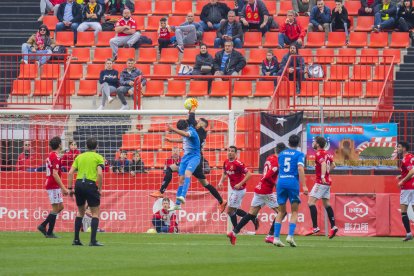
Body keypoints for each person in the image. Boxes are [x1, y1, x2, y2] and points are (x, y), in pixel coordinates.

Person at [166, 107, 227, 212]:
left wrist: (192, 111)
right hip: (191, 158)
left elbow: (187, 132)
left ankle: (172, 195)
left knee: (178, 171)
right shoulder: (194, 128)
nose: (197, 123)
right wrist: (191, 110)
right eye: (198, 121)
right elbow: (189, 124)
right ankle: (221, 200)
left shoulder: (201, 132)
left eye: (200, 123)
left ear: (203, 126)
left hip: (195, 159)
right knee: (205, 183)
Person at [226, 144, 287, 245]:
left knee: (251, 214)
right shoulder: (277, 162)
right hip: (266, 191)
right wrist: (275, 184)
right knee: (282, 213)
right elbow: (267, 176)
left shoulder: (269, 158)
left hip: (259, 188)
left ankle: (234, 232)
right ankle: (270, 236)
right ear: (282, 152)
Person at [68, 137, 105, 246]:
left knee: (80, 212)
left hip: (78, 184)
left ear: (86, 146)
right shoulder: (98, 157)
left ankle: (76, 240)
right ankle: (93, 241)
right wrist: (100, 188)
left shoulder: (79, 156)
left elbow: (70, 173)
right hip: (90, 184)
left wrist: (70, 188)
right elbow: (99, 174)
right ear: (96, 147)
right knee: (95, 213)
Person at [273, 134, 308, 247]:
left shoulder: (281, 154)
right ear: (298, 144)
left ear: (288, 143)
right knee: (294, 211)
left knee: (281, 212)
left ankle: (276, 238)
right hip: (292, 182)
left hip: (281, 182)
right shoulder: (299, 154)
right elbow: (300, 168)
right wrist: (304, 186)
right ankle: (290, 236)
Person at [218, 146, 258, 231]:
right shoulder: (225, 162)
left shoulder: (238, 163)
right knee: (233, 210)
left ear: (235, 153)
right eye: (228, 151)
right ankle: (251, 218)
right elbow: (225, 173)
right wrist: (221, 181)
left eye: (232, 151)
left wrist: (240, 184)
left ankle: (236, 230)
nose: (230, 152)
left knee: (229, 211)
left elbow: (249, 174)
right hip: (234, 189)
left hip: (239, 190)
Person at [305, 136, 338, 238]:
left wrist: (323, 176)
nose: (313, 143)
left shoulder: (319, 153)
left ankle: (315, 227)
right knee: (326, 203)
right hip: (327, 182)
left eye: (314, 142)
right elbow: (334, 165)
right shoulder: (327, 153)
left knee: (310, 202)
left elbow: (323, 164)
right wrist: (327, 173)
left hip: (321, 182)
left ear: (318, 144)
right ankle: (333, 226)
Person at [37, 136, 69, 238]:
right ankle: (49, 231)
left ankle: (44, 225)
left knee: (61, 207)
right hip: (53, 184)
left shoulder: (51, 155)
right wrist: (63, 187)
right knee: (56, 208)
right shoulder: (56, 157)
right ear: (59, 145)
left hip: (52, 184)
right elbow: (55, 174)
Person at [167, 119, 200, 210]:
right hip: (185, 158)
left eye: (181, 130)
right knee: (181, 179)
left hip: (194, 157)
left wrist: (173, 129)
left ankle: (183, 196)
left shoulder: (191, 131)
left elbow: (185, 135)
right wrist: (171, 140)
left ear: (184, 128)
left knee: (187, 174)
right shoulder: (186, 132)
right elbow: (182, 139)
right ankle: (177, 205)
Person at [396, 141, 414, 241]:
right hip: (413, 186)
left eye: (399, 147)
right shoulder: (411, 156)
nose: (397, 148)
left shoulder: (405, 159)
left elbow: (412, 171)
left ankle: (408, 234)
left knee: (403, 212)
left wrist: (402, 181)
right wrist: (402, 175)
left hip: (407, 188)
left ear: (404, 149)